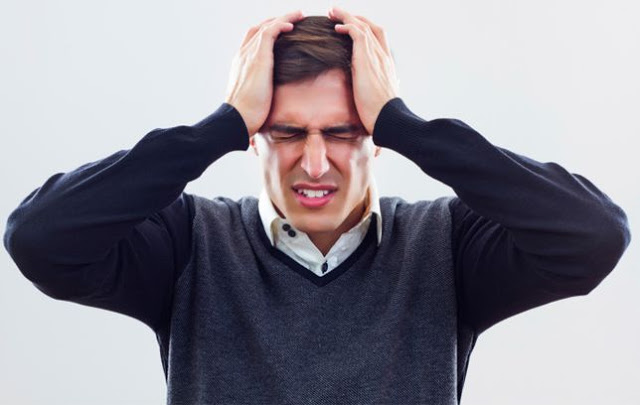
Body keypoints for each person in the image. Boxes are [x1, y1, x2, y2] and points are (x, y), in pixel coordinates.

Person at [3, 6, 631, 405]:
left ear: (376, 139)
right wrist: (219, 126)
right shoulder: (188, 242)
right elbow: (38, 237)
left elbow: (594, 234)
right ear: (255, 136)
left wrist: (406, 125)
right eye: (286, 132)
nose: (313, 163)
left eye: (342, 132)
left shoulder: (445, 246)